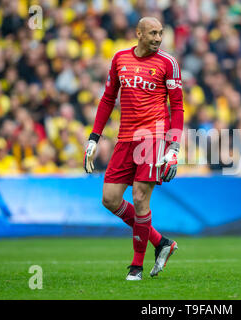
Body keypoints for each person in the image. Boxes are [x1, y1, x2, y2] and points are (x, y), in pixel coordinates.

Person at [83, 17, 184, 281]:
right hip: (125, 138)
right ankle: (161, 242)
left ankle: (136, 267)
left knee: (140, 198)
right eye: (153, 33)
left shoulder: (168, 63)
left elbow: (178, 107)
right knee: (110, 199)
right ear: (138, 33)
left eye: (161, 33)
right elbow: (107, 99)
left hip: (153, 136)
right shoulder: (119, 59)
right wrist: (94, 137)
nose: (158, 38)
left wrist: (174, 146)